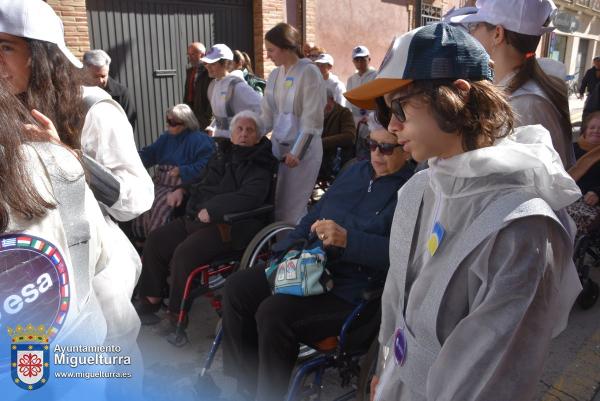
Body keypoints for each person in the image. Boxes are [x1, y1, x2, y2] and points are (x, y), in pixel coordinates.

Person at [345, 22, 582, 401]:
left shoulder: (522, 229)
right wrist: (384, 367)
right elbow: (396, 301)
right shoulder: (418, 189)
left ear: (457, 94)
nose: (391, 126)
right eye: (384, 109)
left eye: (400, 106)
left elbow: (493, 378)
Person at [221, 116, 414, 401]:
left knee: (273, 312)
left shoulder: (410, 191)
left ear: (406, 150)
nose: (376, 154)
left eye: (386, 148)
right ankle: (245, 386)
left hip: (350, 289)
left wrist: (349, 241)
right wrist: (288, 247)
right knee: (238, 287)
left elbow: (401, 255)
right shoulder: (355, 172)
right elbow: (313, 214)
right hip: (307, 265)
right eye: (371, 145)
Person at [0, 0, 153, 350]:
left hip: (97, 273)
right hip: (31, 279)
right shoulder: (7, 103)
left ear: (40, 53)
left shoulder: (92, 107)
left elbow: (138, 199)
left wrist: (68, 159)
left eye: (6, 47)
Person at [0, 82, 111, 396]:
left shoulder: (98, 107)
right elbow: (99, 259)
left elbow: (131, 196)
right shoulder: (55, 160)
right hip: (79, 352)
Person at [135, 111, 277, 325]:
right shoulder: (222, 154)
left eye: (250, 130)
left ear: (258, 137)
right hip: (198, 217)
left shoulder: (260, 162)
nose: (244, 134)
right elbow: (201, 179)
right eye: (240, 129)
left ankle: (176, 315)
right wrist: (182, 189)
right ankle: (151, 297)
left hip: (232, 225)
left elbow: (250, 196)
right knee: (157, 239)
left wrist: (213, 209)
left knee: (185, 253)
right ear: (231, 134)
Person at [453, 0, 575, 168]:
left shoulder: (526, 104)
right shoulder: (519, 94)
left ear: (497, 34)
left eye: (475, 25)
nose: (471, 33)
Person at [259, 22, 327, 225]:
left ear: (286, 46)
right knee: (277, 204)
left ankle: (294, 252)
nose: (268, 55)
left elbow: (312, 119)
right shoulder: (274, 75)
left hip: (302, 153)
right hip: (279, 148)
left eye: (271, 50)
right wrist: (251, 134)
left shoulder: (309, 72)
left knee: (292, 208)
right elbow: (267, 113)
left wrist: (297, 152)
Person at [132, 104, 215, 240]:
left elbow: (206, 164)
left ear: (186, 123)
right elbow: (150, 153)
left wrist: (183, 170)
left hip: (180, 185)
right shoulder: (166, 138)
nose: (169, 125)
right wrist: (131, 160)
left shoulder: (200, 140)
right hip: (161, 181)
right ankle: (141, 241)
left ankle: (157, 241)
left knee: (161, 207)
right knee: (142, 201)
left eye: (173, 122)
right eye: (168, 121)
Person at [203, 44, 262, 139]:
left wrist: (253, 137)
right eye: (206, 63)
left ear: (226, 64)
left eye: (213, 64)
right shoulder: (214, 85)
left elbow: (262, 109)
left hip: (237, 146)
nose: (208, 67)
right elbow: (223, 117)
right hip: (221, 143)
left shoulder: (237, 86)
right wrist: (213, 127)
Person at [83, 49, 137, 129]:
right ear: (86, 72)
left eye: (103, 76)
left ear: (108, 70)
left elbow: (129, 124)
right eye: (96, 76)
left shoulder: (121, 93)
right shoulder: (79, 91)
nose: (100, 80)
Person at [567, 111, 600, 234]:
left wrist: (597, 192)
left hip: (590, 201)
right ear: (585, 130)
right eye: (592, 127)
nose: (596, 131)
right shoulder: (572, 148)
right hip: (567, 194)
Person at [346, 45, 378, 159]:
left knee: (372, 151)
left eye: (362, 59)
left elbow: (379, 101)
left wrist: (372, 116)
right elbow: (348, 101)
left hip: (373, 120)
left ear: (369, 59)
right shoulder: (351, 79)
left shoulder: (376, 76)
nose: (359, 62)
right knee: (357, 153)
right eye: (356, 59)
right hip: (356, 122)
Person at [320, 88, 356, 179]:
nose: (320, 104)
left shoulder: (344, 113)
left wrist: (320, 143)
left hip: (334, 159)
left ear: (331, 99)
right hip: (320, 155)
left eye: (322, 101)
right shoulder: (317, 113)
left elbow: (350, 136)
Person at [184, 42, 213, 129]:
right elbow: (188, 93)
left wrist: (207, 116)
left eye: (192, 54)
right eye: (188, 54)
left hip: (205, 118)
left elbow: (213, 95)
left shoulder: (210, 71)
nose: (189, 58)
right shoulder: (190, 72)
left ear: (202, 55)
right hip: (191, 115)